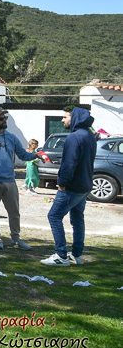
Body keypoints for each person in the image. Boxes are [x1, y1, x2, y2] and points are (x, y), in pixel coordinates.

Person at [42, 107, 97, 266]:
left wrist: (62, 182)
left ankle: (61, 256)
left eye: (65, 117)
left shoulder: (74, 137)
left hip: (72, 187)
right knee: (78, 220)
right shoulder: (90, 136)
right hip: (84, 186)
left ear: (75, 119)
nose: (62, 120)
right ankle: (77, 254)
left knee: (54, 216)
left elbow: (69, 163)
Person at [0, 109, 36, 250]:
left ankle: (16, 238)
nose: (4, 121)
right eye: (0, 119)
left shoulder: (12, 137)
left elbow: (23, 155)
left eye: (5, 118)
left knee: (14, 212)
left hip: (10, 180)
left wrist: (35, 155)